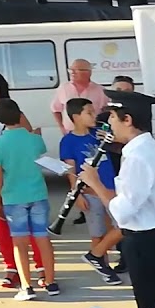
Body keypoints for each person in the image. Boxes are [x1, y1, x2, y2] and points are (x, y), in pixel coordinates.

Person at [80, 90, 155, 308]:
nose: (109, 123)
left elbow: (123, 211)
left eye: (113, 117)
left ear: (128, 120)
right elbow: (136, 195)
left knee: (152, 307)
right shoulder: (145, 149)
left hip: (147, 240)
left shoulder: (137, 156)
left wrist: (96, 184)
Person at [0, 98, 58, 300]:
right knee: (42, 238)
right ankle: (51, 282)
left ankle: (26, 286)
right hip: (38, 194)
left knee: (19, 242)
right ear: (20, 115)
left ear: (0, 120)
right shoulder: (35, 139)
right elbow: (40, 155)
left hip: (13, 197)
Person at [60, 98, 123, 285]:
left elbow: (119, 145)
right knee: (97, 232)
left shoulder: (98, 133)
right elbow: (71, 170)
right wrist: (77, 193)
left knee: (121, 225)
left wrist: (111, 138)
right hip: (89, 191)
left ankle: (97, 256)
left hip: (111, 188)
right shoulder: (68, 141)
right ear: (76, 117)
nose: (94, 116)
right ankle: (104, 267)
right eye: (89, 112)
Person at [49, 59, 107, 134]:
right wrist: (62, 127)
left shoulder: (100, 90)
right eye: (71, 70)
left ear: (88, 72)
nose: (72, 72)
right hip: (70, 132)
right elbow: (55, 110)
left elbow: (106, 112)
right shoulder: (63, 88)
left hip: (93, 133)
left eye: (76, 70)